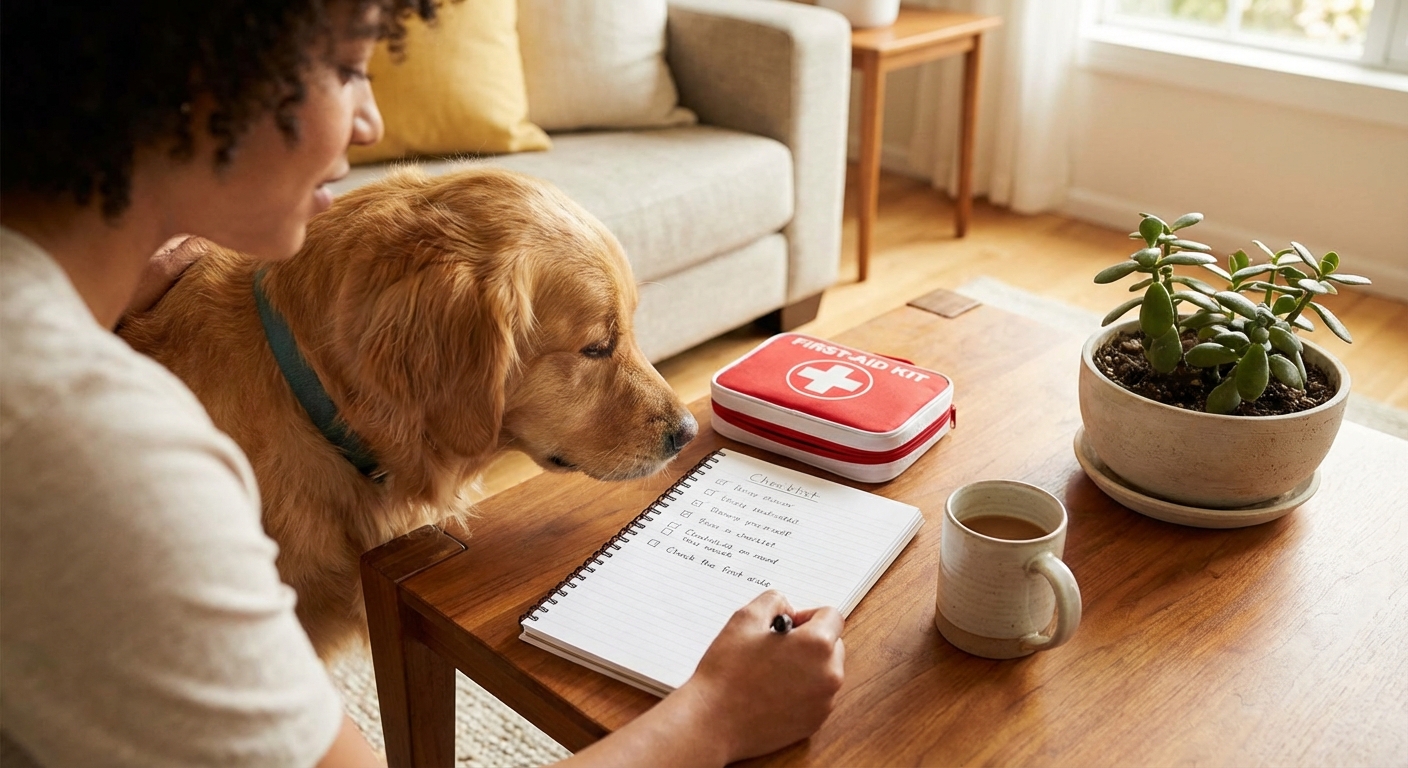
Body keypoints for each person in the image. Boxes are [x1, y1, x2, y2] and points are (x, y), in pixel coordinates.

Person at [0, 1, 846, 766]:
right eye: (347, 67)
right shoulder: (108, 454)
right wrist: (717, 719)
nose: (368, 122)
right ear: (198, 74)